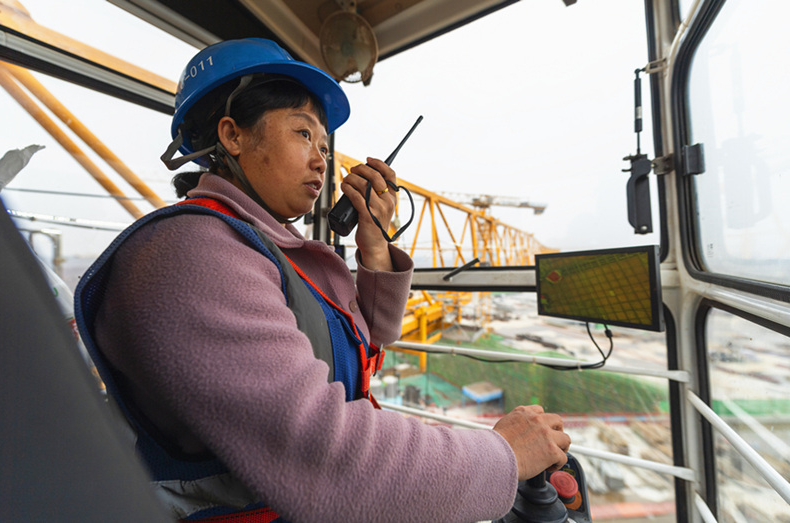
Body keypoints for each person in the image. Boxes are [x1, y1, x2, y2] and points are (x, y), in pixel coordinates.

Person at [75, 38, 570, 523]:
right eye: (303, 133)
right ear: (233, 135)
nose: (321, 159)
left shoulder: (264, 244)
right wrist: (502, 455)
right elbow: (326, 459)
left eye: (324, 145)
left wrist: (375, 247)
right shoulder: (195, 253)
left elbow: (362, 343)